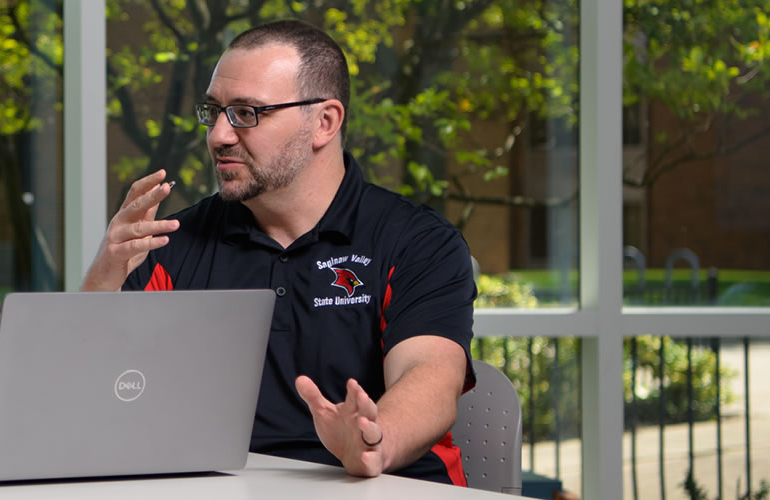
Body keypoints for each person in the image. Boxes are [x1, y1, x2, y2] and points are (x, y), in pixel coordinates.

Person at [81, 20, 476, 486]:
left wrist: (373, 441)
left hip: (386, 485)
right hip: (224, 487)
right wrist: (103, 277)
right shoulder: (172, 242)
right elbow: (91, 390)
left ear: (324, 122)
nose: (219, 136)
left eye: (246, 113)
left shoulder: (416, 240)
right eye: (214, 111)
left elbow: (428, 375)